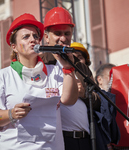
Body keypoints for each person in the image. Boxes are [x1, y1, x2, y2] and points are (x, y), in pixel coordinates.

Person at [0, 13, 78, 150]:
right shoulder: (3, 76)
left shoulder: (55, 71)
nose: (33, 40)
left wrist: (68, 68)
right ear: (14, 46)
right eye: (26, 37)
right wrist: (10, 114)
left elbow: (69, 100)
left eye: (35, 36)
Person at [40, 7, 96, 150]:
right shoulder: (39, 63)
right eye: (57, 34)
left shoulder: (80, 66)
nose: (63, 38)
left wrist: (84, 94)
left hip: (84, 139)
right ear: (46, 37)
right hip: (56, 139)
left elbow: (99, 100)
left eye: (67, 33)